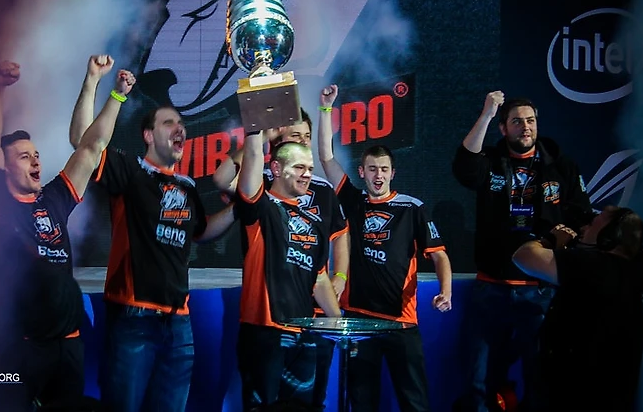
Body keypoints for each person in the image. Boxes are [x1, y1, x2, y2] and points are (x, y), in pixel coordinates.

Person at [69, 55, 236, 412]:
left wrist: (242, 206)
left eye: (182, 124)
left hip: (180, 321)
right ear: (148, 135)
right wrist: (96, 82)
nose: (180, 129)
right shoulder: (130, 171)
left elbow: (202, 231)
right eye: (169, 122)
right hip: (134, 317)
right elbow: (83, 143)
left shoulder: (187, 185)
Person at [0, 59, 134, 409]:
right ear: (4, 168)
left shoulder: (54, 198)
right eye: (23, 157)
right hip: (22, 343)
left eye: (36, 155)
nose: (35, 161)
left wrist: (112, 93)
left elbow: (91, 148)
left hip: (68, 342)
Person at [451, 91, 592, 411]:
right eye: (516, 122)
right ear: (504, 128)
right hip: (492, 286)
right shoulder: (491, 162)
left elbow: (581, 216)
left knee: (540, 376)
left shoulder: (560, 165)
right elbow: (464, 167)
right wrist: (487, 114)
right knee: (477, 379)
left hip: (540, 291)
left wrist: (558, 241)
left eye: (530, 121)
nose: (525, 127)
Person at [318, 84, 453, 412]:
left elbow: (439, 255)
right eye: (372, 169)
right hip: (359, 320)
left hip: (401, 322)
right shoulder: (353, 200)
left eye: (383, 169)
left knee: (414, 402)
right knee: (361, 402)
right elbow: (326, 157)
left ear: (393, 172)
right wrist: (326, 108)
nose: (378, 175)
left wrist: (446, 292)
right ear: (361, 172)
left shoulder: (412, 207)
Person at [213, 109, 350, 409]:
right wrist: (259, 128)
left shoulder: (314, 216)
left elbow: (318, 276)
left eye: (310, 168)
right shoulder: (260, 203)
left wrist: (339, 324)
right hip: (265, 330)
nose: (307, 174)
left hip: (304, 330)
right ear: (276, 167)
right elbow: (236, 171)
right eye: (300, 167)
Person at [512, 206, 643, 411]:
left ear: (610, 235)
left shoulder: (592, 264)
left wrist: (549, 239)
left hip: (570, 394)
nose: (583, 228)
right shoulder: (633, 273)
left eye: (592, 224)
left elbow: (524, 256)